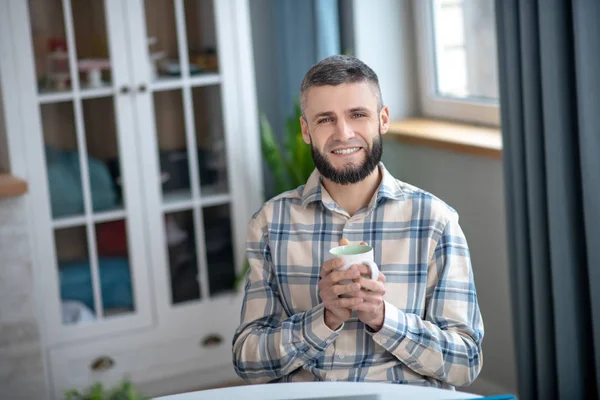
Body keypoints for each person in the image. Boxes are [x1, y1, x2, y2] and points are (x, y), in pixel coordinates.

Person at [232, 55, 484, 389]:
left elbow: (465, 363)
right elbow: (247, 362)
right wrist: (323, 319)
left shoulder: (435, 222)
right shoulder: (270, 223)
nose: (344, 133)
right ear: (306, 130)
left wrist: (383, 318)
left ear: (383, 120)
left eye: (357, 115)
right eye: (325, 120)